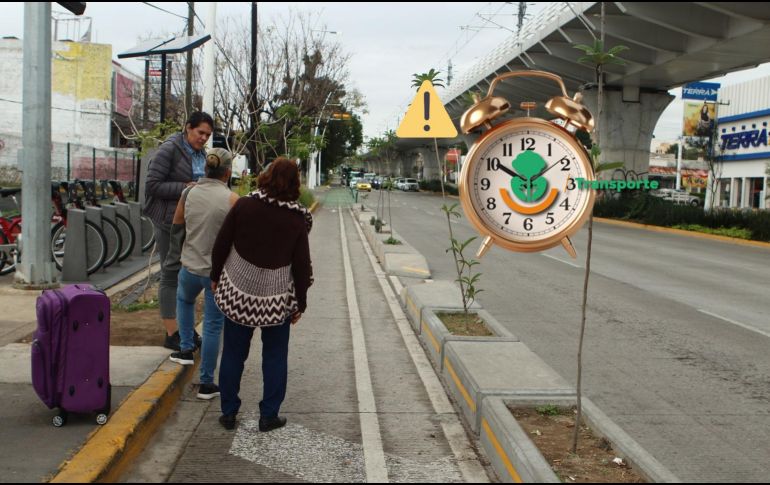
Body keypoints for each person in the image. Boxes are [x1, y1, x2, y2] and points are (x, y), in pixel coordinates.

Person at [210, 157, 313, 432]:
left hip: (239, 292)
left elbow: (222, 242)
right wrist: (300, 302)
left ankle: (229, 412)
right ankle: (269, 416)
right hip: (276, 298)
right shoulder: (297, 218)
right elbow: (302, 265)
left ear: (266, 176)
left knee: (233, 354)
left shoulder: (245, 205)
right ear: (295, 184)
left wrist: (215, 276)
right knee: (275, 357)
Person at [167, 148, 239, 401]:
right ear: (227, 172)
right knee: (212, 326)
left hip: (189, 266)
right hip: (215, 275)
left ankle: (186, 349)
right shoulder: (232, 199)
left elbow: (177, 227)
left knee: (184, 301)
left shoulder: (188, 193)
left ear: (206, 169)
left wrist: (178, 257)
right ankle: (207, 383)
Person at [144, 111, 213, 351]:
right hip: (168, 220)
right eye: (200, 132)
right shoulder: (170, 149)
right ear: (188, 128)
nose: (203, 138)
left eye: (207, 135)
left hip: (188, 221)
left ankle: (184, 330)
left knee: (186, 273)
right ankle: (171, 332)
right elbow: (152, 185)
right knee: (170, 271)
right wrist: (185, 187)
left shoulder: (200, 153)